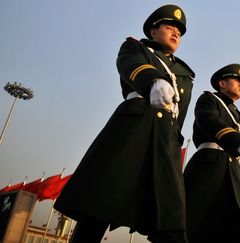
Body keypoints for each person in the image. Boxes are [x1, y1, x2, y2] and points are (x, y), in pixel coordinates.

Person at [54, 4, 195, 243]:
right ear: (153, 31)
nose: (175, 34)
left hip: (165, 143)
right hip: (134, 129)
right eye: (170, 27)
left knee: (171, 216)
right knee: (100, 205)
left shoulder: (184, 73)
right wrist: (152, 81)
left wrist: (175, 140)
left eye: (179, 33)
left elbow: (179, 116)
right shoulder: (135, 47)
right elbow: (130, 65)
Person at [183, 63, 240, 243]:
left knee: (237, 230)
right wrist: (237, 140)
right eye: (237, 80)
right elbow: (208, 120)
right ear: (222, 83)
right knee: (197, 225)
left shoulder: (236, 113)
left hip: (232, 173)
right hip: (210, 167)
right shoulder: (209, 100)